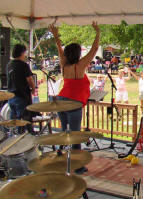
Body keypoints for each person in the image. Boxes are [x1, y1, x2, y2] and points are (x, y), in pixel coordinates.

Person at [49, 22, 100, 174]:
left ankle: (62, 159)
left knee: (65, 132)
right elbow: (94, 49)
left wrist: (55, 35)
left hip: (61, 100)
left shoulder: (64, 65)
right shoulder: (80, 66)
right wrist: (97, 32)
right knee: (75, 136)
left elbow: (59, 49)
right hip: (73, 103)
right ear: (78, 54)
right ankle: (77, 167)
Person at [7, 44, 36, 133]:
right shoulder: (23, 65)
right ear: (22, 53)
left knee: (14, 122)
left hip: (11, 97)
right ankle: (26, 140)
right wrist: (33, 89)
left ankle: (13, 139)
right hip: (21, 97)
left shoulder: (9, 64)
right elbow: (30, 80)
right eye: (25, 52)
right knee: (24, 122)